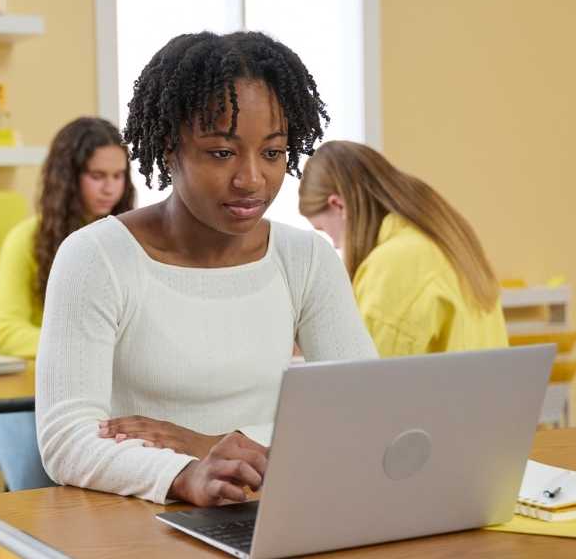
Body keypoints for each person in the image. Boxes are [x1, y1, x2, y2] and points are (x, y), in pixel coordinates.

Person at [35, 31, 378, 507]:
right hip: (134, 522)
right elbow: (66, 442)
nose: (252, 179)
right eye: (222, 152)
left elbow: (366, 410)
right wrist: (184, 474)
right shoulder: (95, 257)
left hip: (264, 511)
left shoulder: (306, 259)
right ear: (169, 147)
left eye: (273, 153)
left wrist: (203, 443)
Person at [0, 116, 135, 491]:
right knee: (37, 489)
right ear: (68, 177)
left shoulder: (133, 240)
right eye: (97, 176)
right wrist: (86, 348)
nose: (110, 188)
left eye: (118, 176)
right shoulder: (25, 240)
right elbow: (4, 333)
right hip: (37, 395)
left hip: (116, 390)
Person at [298, 140, 508, 357]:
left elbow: (366, 377)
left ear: (338, 206)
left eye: (323, 229)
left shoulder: (395, 264)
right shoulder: (447, 239)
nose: (334, 244)